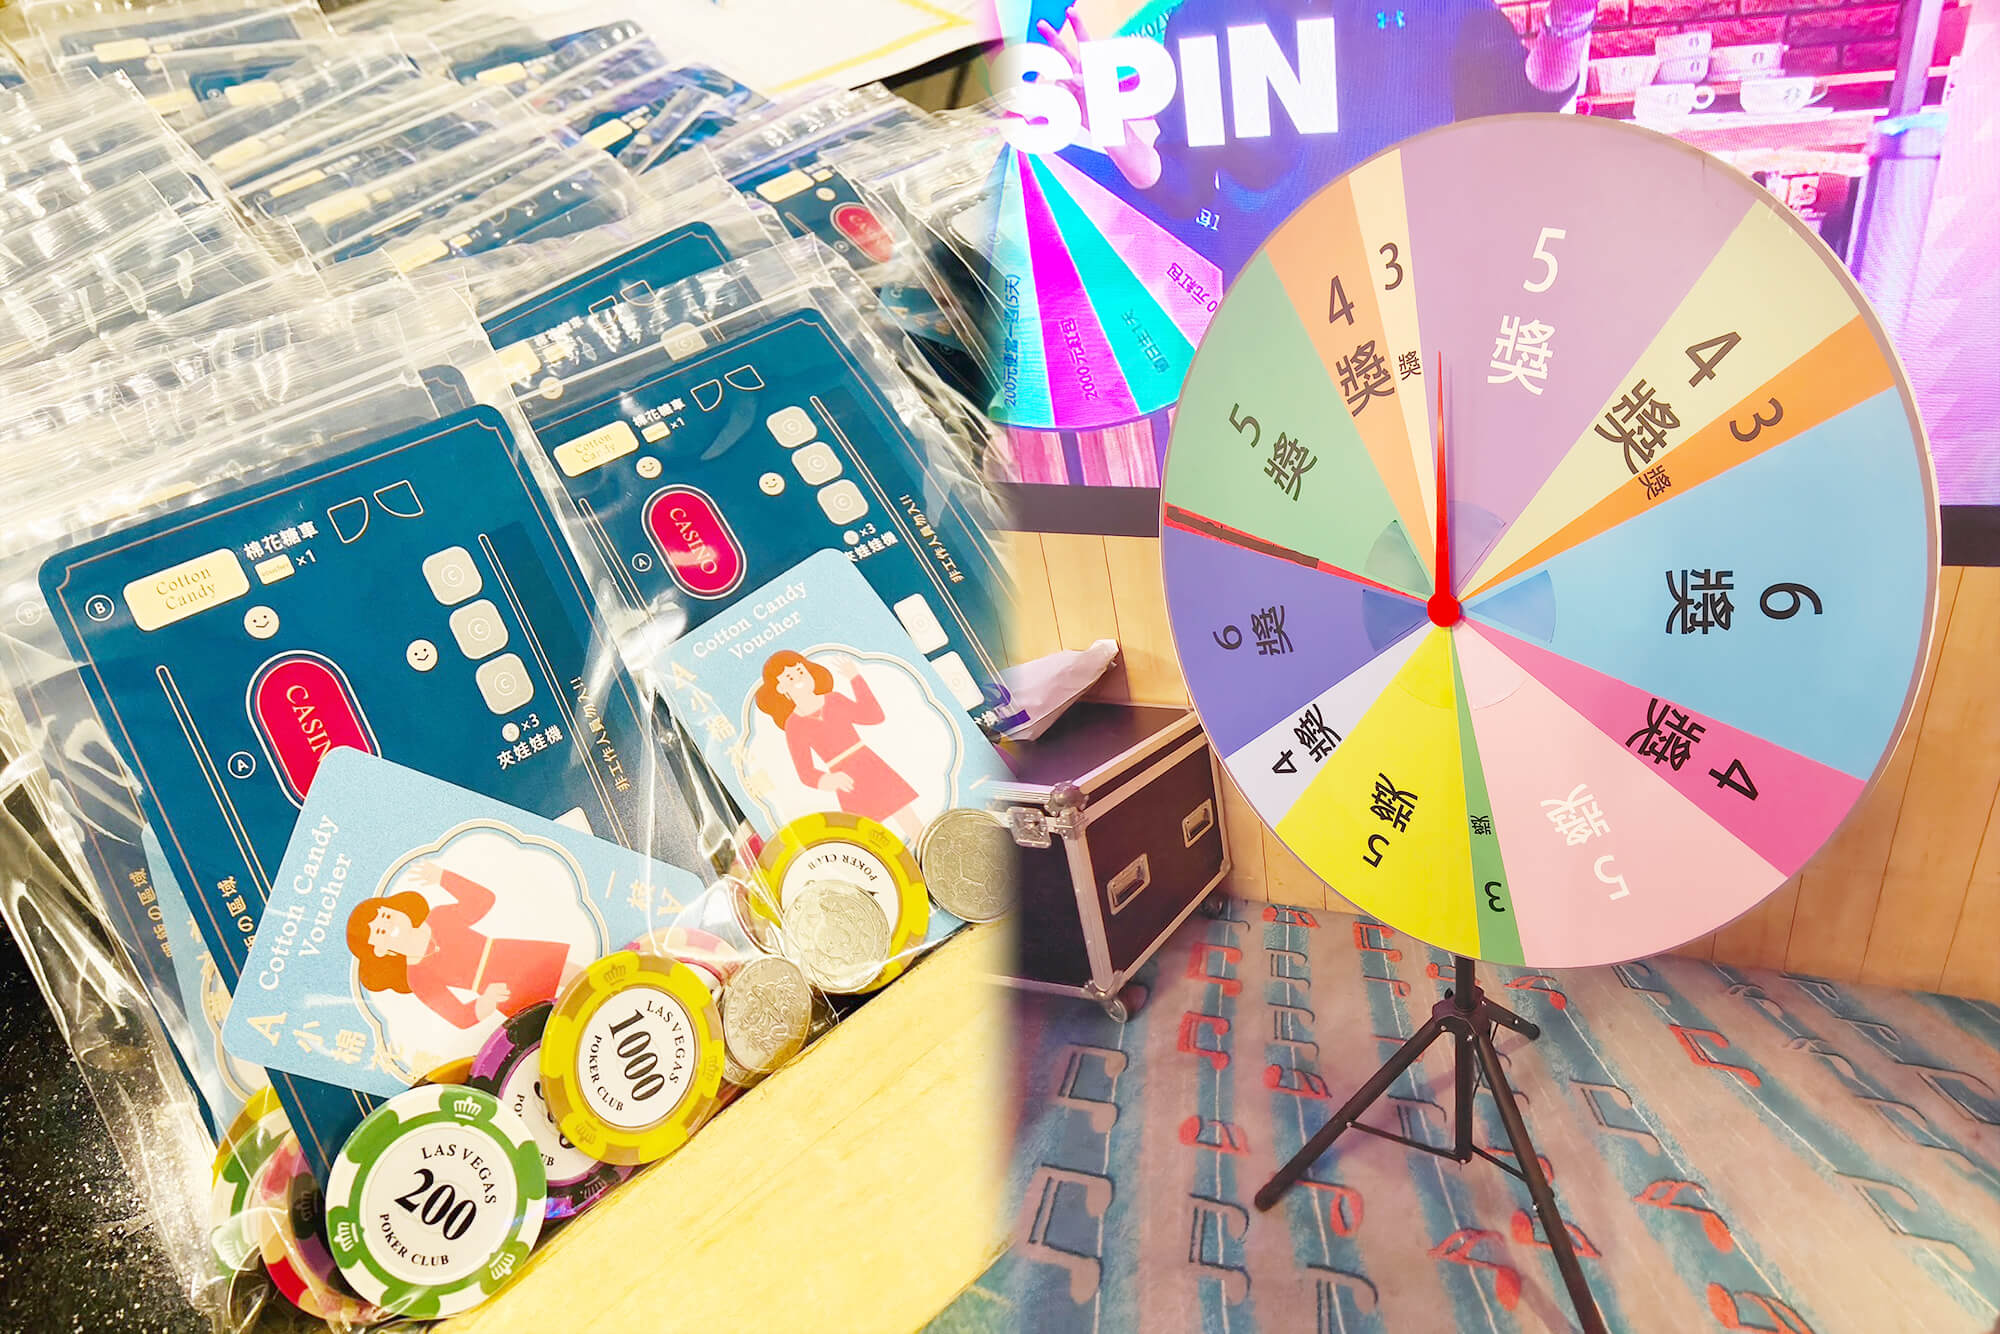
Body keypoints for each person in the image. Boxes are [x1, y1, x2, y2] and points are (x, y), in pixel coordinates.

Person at [1032, 0, 1599, 278]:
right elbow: (1184, 188)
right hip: (1277, 323)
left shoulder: (1438, 7)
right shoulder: (1205, 18)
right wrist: (1113, 131)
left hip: (1417, 313)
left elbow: (1528, 103)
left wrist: (1570, 24)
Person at [345, 860, 578, 1030]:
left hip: (511, 953)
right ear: (379, 950)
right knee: (556, 1021)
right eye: (380, 931)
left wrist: (443, 878)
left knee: (574, 976)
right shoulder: (417, 978)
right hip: (499, 987)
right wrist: (486, 1001)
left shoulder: (438, 918)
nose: (389, 924)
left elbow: (483, 900)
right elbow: (459, 1016)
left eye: (386, 915)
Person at [754, 649, 924, 842]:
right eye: (790, 677)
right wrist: (830, 779)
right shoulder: (794, 725)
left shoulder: (834, 699)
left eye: (800, 671)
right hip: (845, 779)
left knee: (907, 818)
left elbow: (873, 715)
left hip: (870, 765)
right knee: (869, 835)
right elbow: (805, 772)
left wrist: (855, 678)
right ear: (781, 688)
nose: (799, 678)